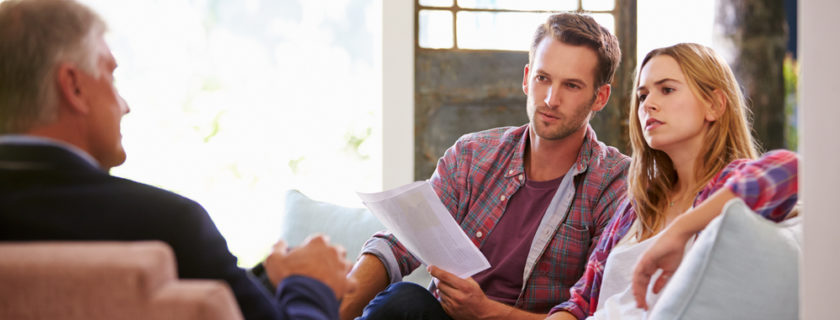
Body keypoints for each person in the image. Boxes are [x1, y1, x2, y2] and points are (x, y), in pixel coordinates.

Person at [0, 0, 354, 319]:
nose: (125, 105)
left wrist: (265, 280)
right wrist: (311, 284)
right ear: (74, 87)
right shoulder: (164, 229)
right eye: (111, 75)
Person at [340, 13, 630, 320]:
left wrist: (484, 312)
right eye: (542, 78)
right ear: (526, 78)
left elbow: (599, 311)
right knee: (403, 301)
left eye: (571, 86)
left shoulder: (615, 183)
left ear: (600, 97)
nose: (550, 99)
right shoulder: (472, 155)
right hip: (442, 316)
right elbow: (400, 244)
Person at [548, 43, 799, 320]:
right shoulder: (639, 204)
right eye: (642, 96)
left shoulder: (729, 185)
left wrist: (681, 229)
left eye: (667, 89)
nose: (648, 105)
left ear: (714, 105)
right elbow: (581, 303)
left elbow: (790, 171)